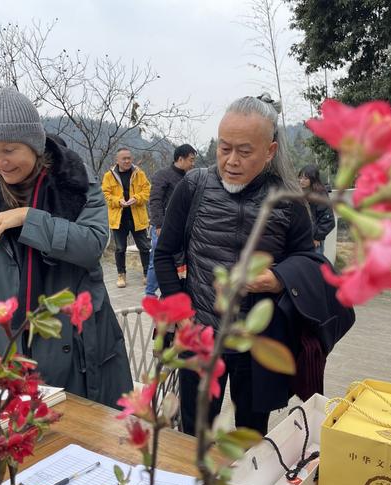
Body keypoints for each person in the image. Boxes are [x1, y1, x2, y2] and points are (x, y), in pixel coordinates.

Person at [154, 94, 354, 435]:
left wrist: (276, 278)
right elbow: (163, 253)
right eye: (224, 148)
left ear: (270, 151)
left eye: (244, 151)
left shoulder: (288, 201)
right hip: (201, 334)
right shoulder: (194, 187)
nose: (231, 161)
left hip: (257, 340)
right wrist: (181, 309)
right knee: (193, 433)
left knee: (250, 435)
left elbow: (308, 262)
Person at [0, 87, 132, 408]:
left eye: (9, 149)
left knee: (82, 441)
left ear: (34, 146)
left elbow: (92, 245)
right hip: (8, 344)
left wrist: (29, 219)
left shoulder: (77, 183)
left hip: (79, 346)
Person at [146, 144, 197, 297]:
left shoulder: (190, 177)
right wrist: (159, 225)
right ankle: (150, 293)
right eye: (191, 160)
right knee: (158, 259)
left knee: (179, 262)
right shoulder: (162, 175)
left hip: (183, 228)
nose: (193, 164)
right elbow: (155, 201)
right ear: (180, 159)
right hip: (163, 227)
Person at [101, 148, 151, 288]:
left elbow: (147, 190)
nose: (127, 161)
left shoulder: (139, 173)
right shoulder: (108, 176)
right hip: (119, 218)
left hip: (137, 217)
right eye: (124, 158)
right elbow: (105, 194)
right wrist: (118, 201)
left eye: (129, 158)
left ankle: (147, 274)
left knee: (144, 247)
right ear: (117, 160)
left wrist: (137, 198)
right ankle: (121, 275)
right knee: (120, 249)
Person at [298, 164, 335, 255]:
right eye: (300, 177)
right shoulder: (300, 192)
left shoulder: (320, 195)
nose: (301, 181)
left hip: (314, 241)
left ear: (313, 179)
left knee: (315, 265)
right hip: (302, 239)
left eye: (305, 178)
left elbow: (328, 220)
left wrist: (317, 237)